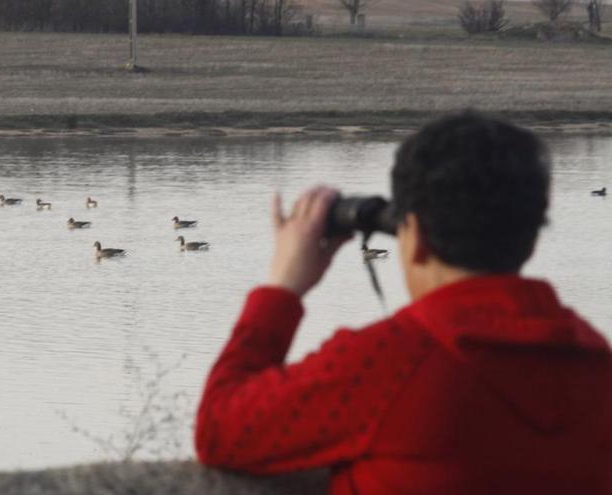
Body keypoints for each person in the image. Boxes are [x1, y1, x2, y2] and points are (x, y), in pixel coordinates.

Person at [195, 111, 612, 494]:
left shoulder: (387, 365)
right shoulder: (595, 362)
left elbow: (220, 430)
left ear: (414, 239)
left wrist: (282, 288)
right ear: (532, 239)